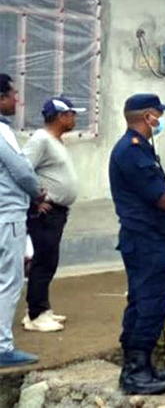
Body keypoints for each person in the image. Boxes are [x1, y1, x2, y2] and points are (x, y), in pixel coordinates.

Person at [110, 93, 165, 394]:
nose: (161, 120)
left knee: (142, 302)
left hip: (147, 238)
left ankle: (139, 365)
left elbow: (158, 189)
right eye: (159, 115)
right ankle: (135, 373)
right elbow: (157, 195)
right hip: (144, 239)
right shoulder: (131, 150)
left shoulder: (140, 148)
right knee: (151, 304)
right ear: (148, 117)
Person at [22, 97, 85, 333]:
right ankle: (36, 314)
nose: (74, 118)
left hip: (57, 212)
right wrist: (35, 201)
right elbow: (22, 171)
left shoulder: (55, 141)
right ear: (60, 116)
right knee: (44, 261)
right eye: (71, 114)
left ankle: (42, 308)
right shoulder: (41, 140)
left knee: (49, 260)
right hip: (45, 213)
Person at [0, 74, 43, 368]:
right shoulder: (2, 131)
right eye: (13, 94)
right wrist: (38, 193)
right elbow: (21, 170)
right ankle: (3, 347)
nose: (17, 100)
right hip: (7, 214)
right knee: (9, 280)